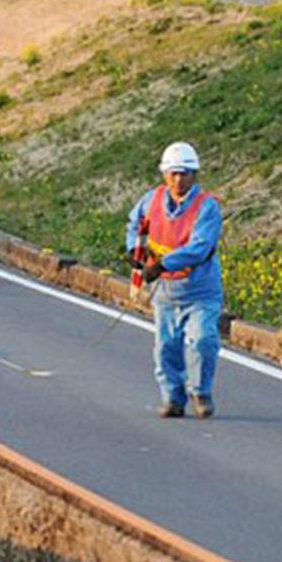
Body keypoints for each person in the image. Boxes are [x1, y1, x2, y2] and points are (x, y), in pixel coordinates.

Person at [125, 142, 223, 420]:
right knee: (166, 347)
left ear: (194, 174)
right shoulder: (151, 199)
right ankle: (172, 398)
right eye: (173, 173)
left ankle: (200, 391)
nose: (178, 179)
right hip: (166, 292)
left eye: (185, 173)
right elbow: (135, 224)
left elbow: (200, 247)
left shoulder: (207, 207)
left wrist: (163, 264)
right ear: (165, 174)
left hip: (200, 289)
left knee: (202, 340)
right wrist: (135, 249)